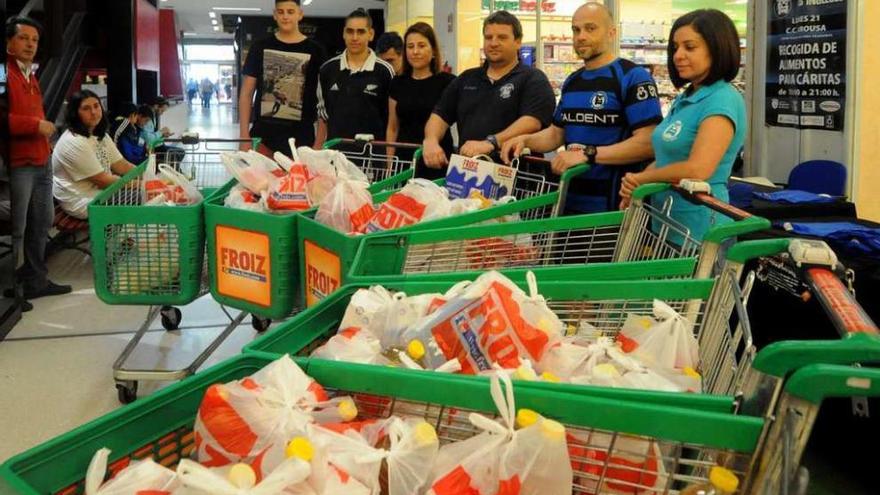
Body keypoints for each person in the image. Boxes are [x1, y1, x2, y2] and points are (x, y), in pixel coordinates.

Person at [500, 2, 663, 213]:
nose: (581, 36)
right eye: (576, 30)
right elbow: (556, 134)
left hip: (614, 209)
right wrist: (525, 139)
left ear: (612, 33)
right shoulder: (572, 82)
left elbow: (648, 143)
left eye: (590, 28)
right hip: (568, 203)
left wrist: (588, 154)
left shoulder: (633, 77)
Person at [619, 9, 746, 242]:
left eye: (690, 47)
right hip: (669, 224)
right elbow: (669, 157)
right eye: (675, 47)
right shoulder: (687, 97)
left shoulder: (722, 98)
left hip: (702, 233)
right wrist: (636, 181)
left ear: (717, 48)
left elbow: (698, 169)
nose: (678, 55)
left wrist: (643, 179)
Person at [423, 11, 555, 168]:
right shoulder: (467, 78)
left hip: (516, 175)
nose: (493, 43)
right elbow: (439, 115)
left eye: (502, 37)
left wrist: (491, 142)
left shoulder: (533, 78)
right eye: (488, 37)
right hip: (468, 174)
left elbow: (532, 121)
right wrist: (430, 140)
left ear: (518, 41)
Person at [5, 16, 72, 301]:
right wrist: (36, 126)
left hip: (41, 161)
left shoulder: (29, 75)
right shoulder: (3, 74)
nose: (30, 44)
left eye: (34, 40)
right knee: (17, 228)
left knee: (42, 221)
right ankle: (12, 291)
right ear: (8, 42)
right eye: (23, 38)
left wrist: (46, 137)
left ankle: (36, 279)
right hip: (20, 164)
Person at [239, 0, 327, 153]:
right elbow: (246, 94)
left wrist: (319, 143)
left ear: (300, 14)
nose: (285, 16)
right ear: (275, 15)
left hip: (303, 141)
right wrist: (244, 136)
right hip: (263, 139)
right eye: (281, 12)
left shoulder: (316, 51)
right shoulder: (259, 47)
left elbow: (323, 101)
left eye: (290, 12)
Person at [386, 22, 455, 180]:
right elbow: (392, 127)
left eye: (422, 45)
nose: (415, 51)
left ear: (433, 51)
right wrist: (390, 163)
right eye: (410, 46)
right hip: (404, 161)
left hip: (438, 160)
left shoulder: (448, 82)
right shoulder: (397, 83)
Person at [53, 90, 136, 219]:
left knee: (147, 193)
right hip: (82, 202)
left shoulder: (99, 134)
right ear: (75, 114)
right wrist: (144, 184)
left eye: (96, 106)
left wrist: (147, 175)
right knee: (141, 196)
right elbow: (104, 182)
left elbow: (122, 165)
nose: (93, 112)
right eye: (86, 108)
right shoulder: (73, 141)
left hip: (100, 192)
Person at [317, 8, 395, 144]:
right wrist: (317, 150)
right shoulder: (327, 69)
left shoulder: (385, 71)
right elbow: (323, 117)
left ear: (371, 34)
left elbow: (392, 123)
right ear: (343, 34)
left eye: (360, 32)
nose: (354, 37)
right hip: (334, 155)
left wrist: (388, 161)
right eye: (350, 31)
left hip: (372, 157)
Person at [141, 96, 185, 164]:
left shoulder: (153, 116)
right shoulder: (147, 117)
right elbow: (148, 138)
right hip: (152, 148)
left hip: (157, 145)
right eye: (161, 110)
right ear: (156, 106)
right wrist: (161, 132)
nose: (161, 113)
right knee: (176, 155)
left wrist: (163, 135)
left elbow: (152, 134)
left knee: (180, 152)